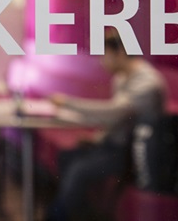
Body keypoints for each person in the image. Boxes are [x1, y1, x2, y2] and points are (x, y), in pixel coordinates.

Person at [46, 30, 167, 221]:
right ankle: (78, 213)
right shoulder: (121, 78)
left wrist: (68, 103)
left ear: (119, 53)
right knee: (66, 157)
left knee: (79, 169)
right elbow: (116, 122)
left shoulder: (148, 82)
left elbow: (114, 112)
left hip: (131, 153)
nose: (102, 61)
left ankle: (55, 217)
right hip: (113, 145)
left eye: (105, 55)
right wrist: (97, 138)